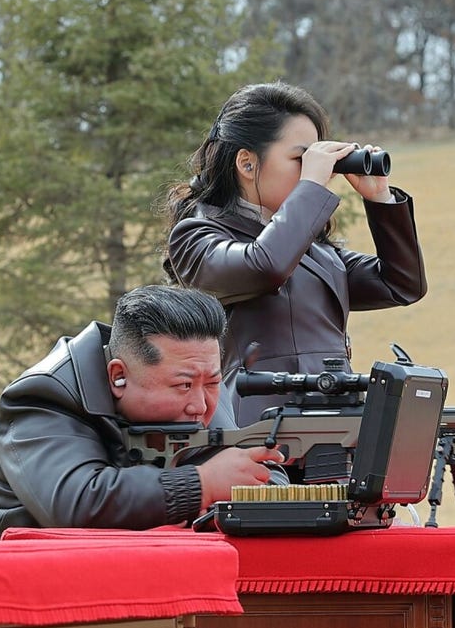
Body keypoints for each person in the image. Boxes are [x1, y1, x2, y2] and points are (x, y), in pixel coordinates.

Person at [163, 82, 427, 426]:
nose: (314, 172)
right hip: (255, 431)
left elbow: (401, 284)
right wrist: (311, 189)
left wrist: (380, 200)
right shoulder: (196, 236)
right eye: (301, 159)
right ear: (247, 163)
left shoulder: (313, 249)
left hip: (334, 422)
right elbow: (265, 266)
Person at [0, 285, 285, 541]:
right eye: (182, 386)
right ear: (118, 376)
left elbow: (259, 474)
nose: (201, 404)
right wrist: (201, 484)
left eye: (212, 382)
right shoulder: (42, 395)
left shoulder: (199, 384)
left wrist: (247, 483)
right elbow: (76, 503)